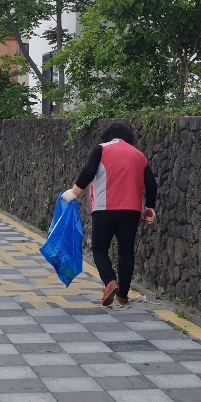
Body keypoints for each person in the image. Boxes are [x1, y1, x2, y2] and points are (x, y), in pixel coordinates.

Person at [62, 122, 157, 306]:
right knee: (126, 251)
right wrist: (149, 209)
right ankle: (123, 296)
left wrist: (74, 193)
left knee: (99, 248)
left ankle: (110, 281)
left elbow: (89, 172)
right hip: (131, 211)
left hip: (104, 209)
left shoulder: (101, 149)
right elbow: (152, 184)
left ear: (107, 136)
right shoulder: (138, 155)